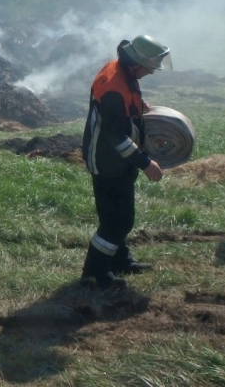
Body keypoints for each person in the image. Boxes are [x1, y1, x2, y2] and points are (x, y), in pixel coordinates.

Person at [80, 35, 170, 290]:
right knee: (116, 220)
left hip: (120, 161)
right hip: (106, 160)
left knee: (121, 214)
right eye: (150, 67)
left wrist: (141, 105)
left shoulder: (124, 72)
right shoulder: (113, 87)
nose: (151, 72)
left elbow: (126, 107)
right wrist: (146, 163)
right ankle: (93, 273)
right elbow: (116, 137)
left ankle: (119, 261)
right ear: (137, 63)